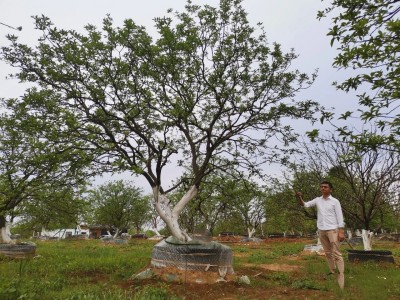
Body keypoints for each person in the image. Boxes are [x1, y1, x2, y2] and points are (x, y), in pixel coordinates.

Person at [295, 181, 345, 290]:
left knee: (336, 253)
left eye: (325, 187)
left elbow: (339, 216)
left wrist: (341, 230)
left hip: (333, 230)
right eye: (321, 187)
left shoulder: (335, 201)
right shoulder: (318, 200)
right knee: (327, 253)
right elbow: (305, 205)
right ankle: (332, 272)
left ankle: (341, 276)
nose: (323, 188)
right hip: (322, 230)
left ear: (330, 189)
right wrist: (299, 197)